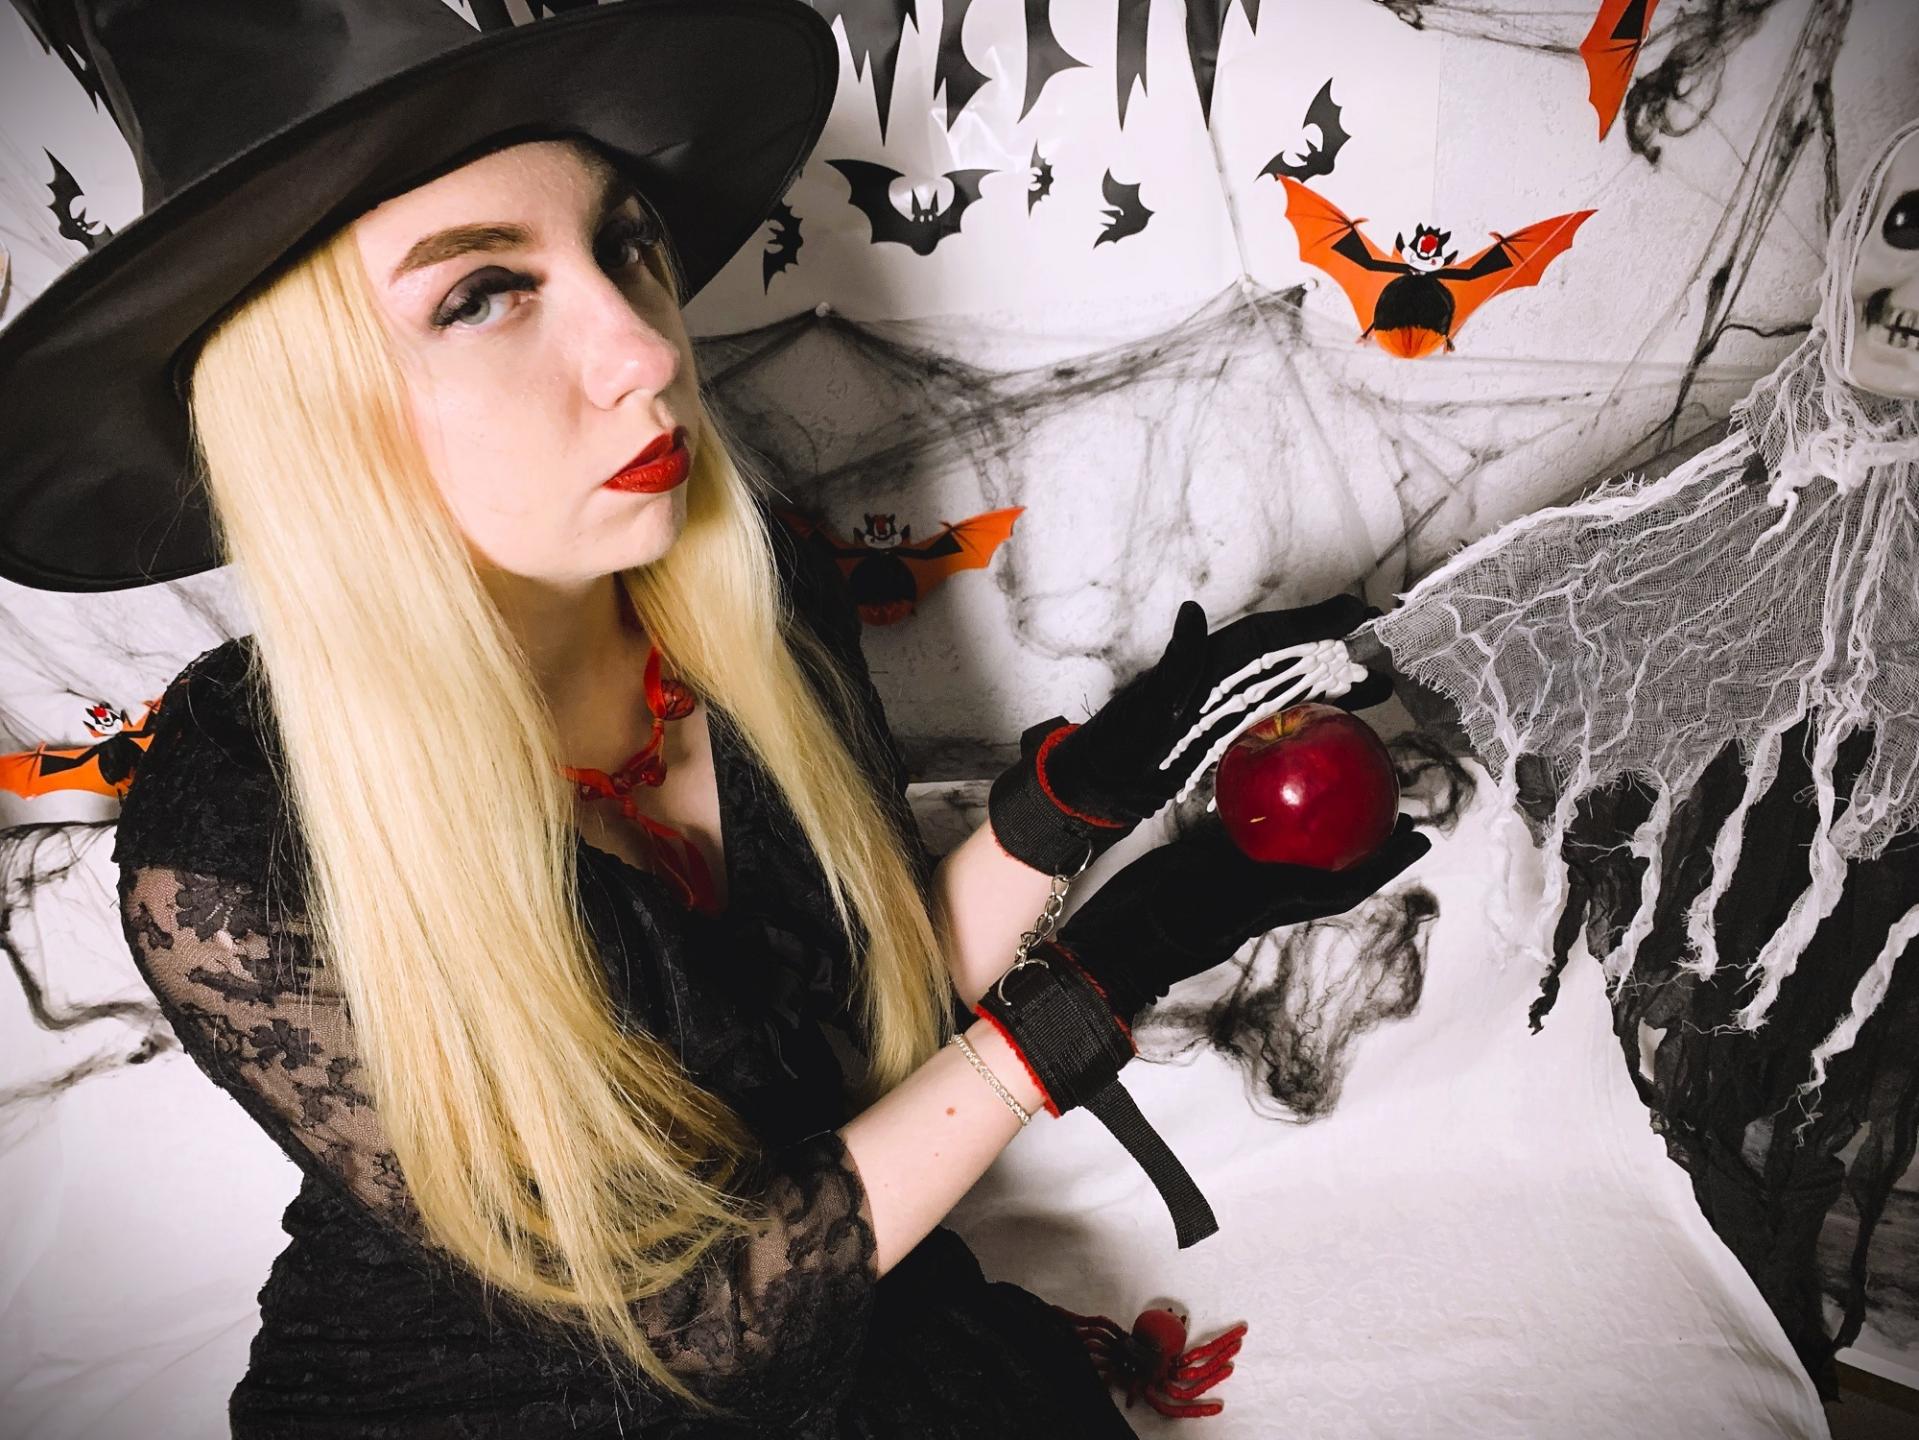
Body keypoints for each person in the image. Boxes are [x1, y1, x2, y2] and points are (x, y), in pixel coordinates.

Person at [0, 2, 1430, 1434]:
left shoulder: (752, 597)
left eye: (624, 243)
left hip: (839, 1298)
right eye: (482, 294)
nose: (641, 346)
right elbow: (698, 1313)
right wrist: (1083, 1000)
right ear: (307, 415)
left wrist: (1101, 797)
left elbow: (849, 1025)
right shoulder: (240, 825)